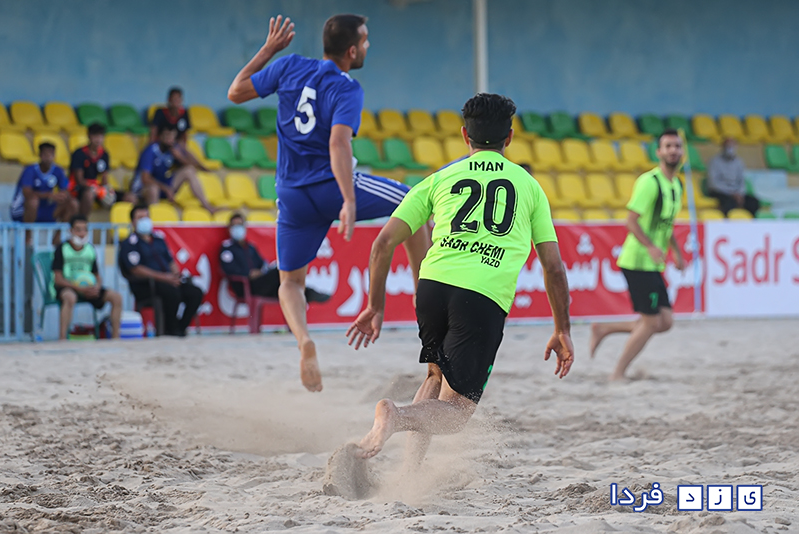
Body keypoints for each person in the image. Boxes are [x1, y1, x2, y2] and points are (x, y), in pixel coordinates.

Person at [346, 93, 574, 463]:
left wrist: (375, 305)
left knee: (435, 377)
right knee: (455, 413)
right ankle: (394, 415)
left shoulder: (440, 178)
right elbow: (553, 267)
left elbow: (383, 244)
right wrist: (562, 329)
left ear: (465, 136)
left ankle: (410, 472)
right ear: (510, 137)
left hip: (432, 287)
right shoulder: (528, 185)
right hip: (482, 295)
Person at [227, 14, 431, 392]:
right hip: (331, 187)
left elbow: (236, 92)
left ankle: (304, 340)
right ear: (351, 51)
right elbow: (338, 143)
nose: (367, 46)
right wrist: (348, 199)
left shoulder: (288, 65)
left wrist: (268, 50)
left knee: (290, 282)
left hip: (292, 194)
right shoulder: (346, 88)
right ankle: (426, 297)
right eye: (365, 41)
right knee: (416, 202)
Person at [589, 129, 686, 380]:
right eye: (668, 146)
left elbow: (667, 225)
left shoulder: (676, 184)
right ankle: (618, 373)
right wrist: (651, 246)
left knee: (665, 322)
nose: (673, 150)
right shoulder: (649, 182)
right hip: (637, 261)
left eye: (677, 146)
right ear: (659, 152)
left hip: (653, 264)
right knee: (652, 322)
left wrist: (676, 252)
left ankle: (604, 329)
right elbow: (631, 221)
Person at [118, 204, 204, 337]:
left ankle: (180, 328)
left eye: (146, 217)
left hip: (168, 280)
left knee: (195, 293)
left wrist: (175, 275)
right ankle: (170, 329)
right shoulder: (129, 243)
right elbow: (136, 269)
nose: (144, 221)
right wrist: (165, 278)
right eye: (140, 218)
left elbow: (170, 261)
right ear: (133, 222)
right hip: (146, 285)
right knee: (171, 292)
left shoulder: (158, 239)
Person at [219, 212, 330, 303]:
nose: (238, 228)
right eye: (235, 225)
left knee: (285, 284)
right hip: (246, 286)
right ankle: (308, 292)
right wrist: (249, 273)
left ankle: (307, 293)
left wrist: (263, 270)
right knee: (281, 272)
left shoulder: (250, 247)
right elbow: (229, 270)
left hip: (262, 285)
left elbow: (262, 264)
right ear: (229, 228)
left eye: (240, 225)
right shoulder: (227, 249)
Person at [52, 215, 122, 340]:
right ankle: (62, 338)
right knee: (70, 297)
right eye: (78, 230)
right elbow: (58, 279)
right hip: (68, 287)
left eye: (85, 230)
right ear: (71, 231)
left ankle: (115, 338)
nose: (82, 234)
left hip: (88, 288)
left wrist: (97, 287)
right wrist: (79, 288)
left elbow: (97, 275)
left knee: (117, 298)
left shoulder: (90, 249)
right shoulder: (62, 249)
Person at [129, 123, 216, 212]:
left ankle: (207, 206)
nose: (169, 139)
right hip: (143, 189)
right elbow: (145, 179)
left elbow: (193, 165)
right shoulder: (150, 150)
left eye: (172, 136)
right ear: (160, 136)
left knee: (189, 170)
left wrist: (180, 157)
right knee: (153, 189)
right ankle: (155, 215)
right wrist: (166, 189)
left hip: (163, 186)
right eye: (167, 135)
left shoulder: (172, 150)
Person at [10, 142, 77, 224]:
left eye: (51, 154)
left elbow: (65, 189)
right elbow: (27, 193)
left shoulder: (58, 170)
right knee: (33, 201)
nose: (48, 157)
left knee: (72, 203)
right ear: (40, 155)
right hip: (22, 210)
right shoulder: (30, 170)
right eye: (45, 154)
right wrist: (49, 195)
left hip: (45, 208)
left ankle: (60, 232)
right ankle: (28, 232)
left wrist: (62, 195)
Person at [69, 123, 113, 217]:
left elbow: (104, 178)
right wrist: (95, 188)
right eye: (95, 136)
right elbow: (79, 180)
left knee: (127, 196)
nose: (98, 139)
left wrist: (107, 190)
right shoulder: (79, 153)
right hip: (78, 188)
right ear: (89, 136)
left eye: (101, 136)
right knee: (89, 193)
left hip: (96, 187)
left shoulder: (104, 154)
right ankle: (82, 220)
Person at [707, 138, 760, 217]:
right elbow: (713, 183)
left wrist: (739, 194)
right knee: (729, 203)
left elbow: (741, 181)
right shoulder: (715, 161)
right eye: (727, 146)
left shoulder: (739, 162)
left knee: (753, 202)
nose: (730, 148)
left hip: (736, 193)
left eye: (732, 146)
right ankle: (727, 222)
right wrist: (731, 193)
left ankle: (750, 222)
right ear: (723, 147)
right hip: (720, 192)